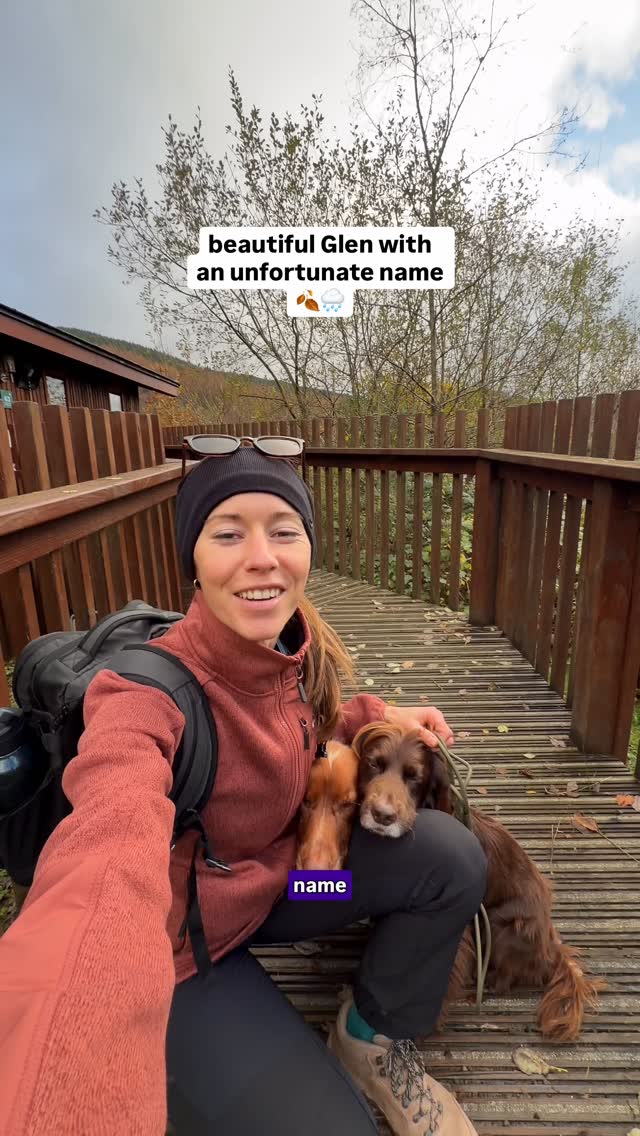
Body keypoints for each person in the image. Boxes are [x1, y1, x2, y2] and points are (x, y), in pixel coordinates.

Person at [0, 439, 486, 1136]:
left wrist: (374, 716)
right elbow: (106, 850)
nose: (262, 557)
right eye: (228, 533)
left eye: (283, 531)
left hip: (283, 889)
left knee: (449, 859)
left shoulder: (287, 652)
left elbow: (304, 725)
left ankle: (366, 1035)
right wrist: (59, 1061)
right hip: (182, 959)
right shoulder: (145, 697)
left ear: (308, 550)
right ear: (193, 562)